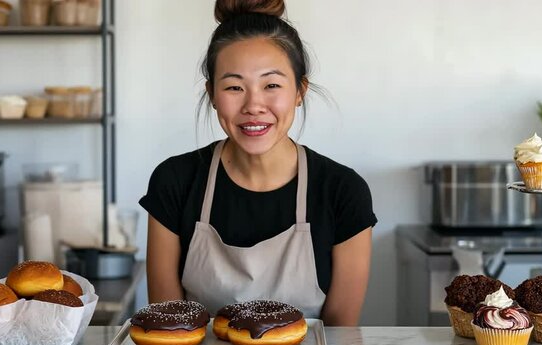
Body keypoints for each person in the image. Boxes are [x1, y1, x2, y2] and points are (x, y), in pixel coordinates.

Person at [139, 0, 377, 326]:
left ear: (299, 91)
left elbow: (341, 336)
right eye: (234, 87)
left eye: (272, 85)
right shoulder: (175, 182)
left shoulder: (342, 191)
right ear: (211, 93)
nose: (254, 105)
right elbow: (169, 327)